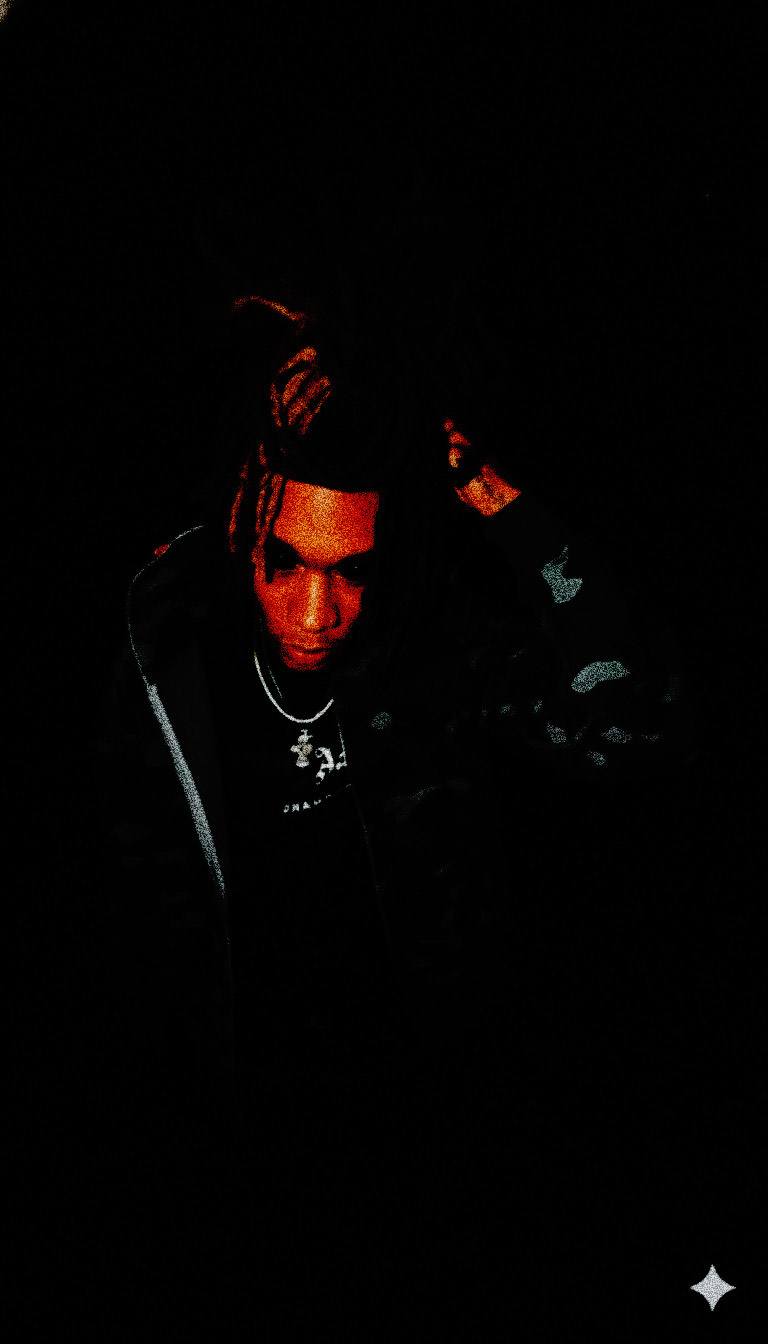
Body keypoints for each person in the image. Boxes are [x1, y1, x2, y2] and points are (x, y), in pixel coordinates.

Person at [90, 293, 702, 1326]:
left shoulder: (433, 648)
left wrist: (492, 495)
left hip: (426, 1133)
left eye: (351, 573)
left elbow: (644, 723)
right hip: (230, 1143)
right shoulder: (161, 653)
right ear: (241, 520)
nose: (315, 614)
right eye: (284, 561)